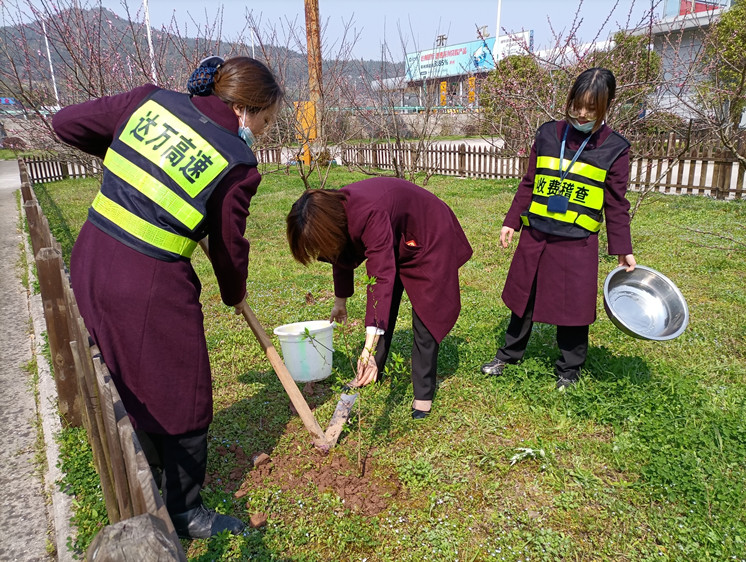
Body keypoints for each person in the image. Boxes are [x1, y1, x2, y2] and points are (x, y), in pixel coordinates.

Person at [52, 56, 282, 539]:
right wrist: (234, 293)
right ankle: (183, 510)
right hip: (149, 281)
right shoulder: (236, 162)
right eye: (264, 121)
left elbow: (64, 123)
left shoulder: (148, 101)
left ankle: (147, 466)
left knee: (123, 369)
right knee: (186, 391)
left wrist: (135, 162)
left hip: (92, 255)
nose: (260, 132)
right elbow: (227, 245)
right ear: (244, 109)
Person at [480, 67, 636, 389]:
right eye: (576, 106)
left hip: (576, 242)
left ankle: (569, 369)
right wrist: (511, 221)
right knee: (523, 297)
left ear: (606, 107)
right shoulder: (548, 134)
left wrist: (623, 249)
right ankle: (508, 354)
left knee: (574, 308)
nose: (581, 114)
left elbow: (617, 203)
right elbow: (528, 183)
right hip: (537, 233)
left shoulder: (615, 148)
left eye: (590, 110)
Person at [286, 178, 473, 419]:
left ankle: (423, 393)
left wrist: (367, 346)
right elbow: (339, 254)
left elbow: (381, 278)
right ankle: (371, 369)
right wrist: (340, 301)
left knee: (426, 312)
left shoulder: (368, 212)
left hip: (428, 231)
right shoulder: (336, 214)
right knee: (383, 308)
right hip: (396, 236)